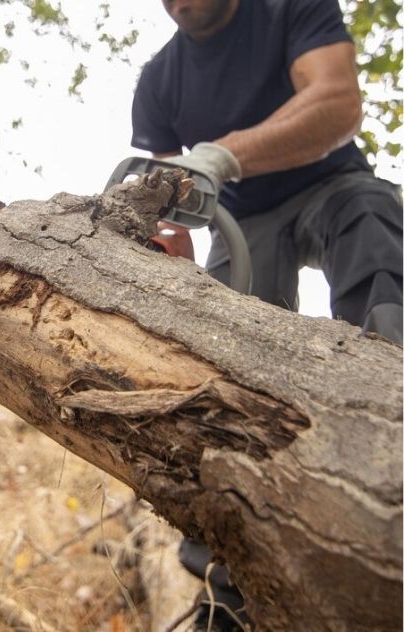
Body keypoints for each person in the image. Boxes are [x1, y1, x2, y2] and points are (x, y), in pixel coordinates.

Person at [129, 0, 403, 629]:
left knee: (371, 219)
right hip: (243, 224)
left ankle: (393, 396)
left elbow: (337, 101)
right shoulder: (157, 81)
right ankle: (230, 589)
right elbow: (163, 197)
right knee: (220, 365)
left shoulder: (292, 10)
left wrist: (225, 154)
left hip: (332, 183)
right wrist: (158, 254)